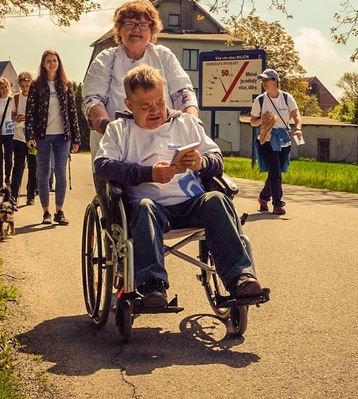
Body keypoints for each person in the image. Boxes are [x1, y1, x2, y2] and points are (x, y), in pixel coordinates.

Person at [94, 65, 263, 307]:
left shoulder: (185, 123)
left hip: (190, 205)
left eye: (160, 103)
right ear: (129, 105)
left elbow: (217, 161)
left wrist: (201, 162)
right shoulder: (120, 130)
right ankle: (152, 285)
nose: (155, 111)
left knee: (216, 199)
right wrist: (149, 173)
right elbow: (103, 166)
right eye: (146, 106)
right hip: (148, 210)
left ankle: (239, 277)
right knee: (144, 206)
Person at [82, 0, 198, 162]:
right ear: (119, 29)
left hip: (162, 140)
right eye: (129, 24)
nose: (136, 30)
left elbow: (183, 92)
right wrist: (105, 124)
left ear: (152, 31)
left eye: (143, 25)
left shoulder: (163, 56)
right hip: (117, 145)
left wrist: (191, 120)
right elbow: (92, 98)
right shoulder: (106, 59)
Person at [25, 50, 81, 225]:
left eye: (55, 60)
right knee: (43, 172)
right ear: (43, 64)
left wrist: (76, 138)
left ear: (59, 63)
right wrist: (30, 135)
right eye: (48, 61)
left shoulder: (65, 85)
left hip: (62, 136)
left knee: (60, 172)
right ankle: (46, 212)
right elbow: (30, 112)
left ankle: (59, 211)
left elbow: (73, 111)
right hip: (42, 136)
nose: (52, 63)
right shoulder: (36, 85)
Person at [249, 69, 304, 216]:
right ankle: (278, 204)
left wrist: (298, 128)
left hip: (284, 139)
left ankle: (263, 197)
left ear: (275, 81)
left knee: (277, 171)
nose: (264, 83)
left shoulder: (287, 98)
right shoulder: (260, 100)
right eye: (263, 81)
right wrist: (262, 120)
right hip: (267, 139)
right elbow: (252, 122)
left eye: (267, 80)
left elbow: (296, 114)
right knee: (275, 171)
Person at [9, 71, 37, 208]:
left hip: (33, 140)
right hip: (19, 137)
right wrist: (16, 118)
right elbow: (12, 115)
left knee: (33, 167)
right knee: (18, 166)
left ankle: (31, 195)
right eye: (23, 86)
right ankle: (14, 194)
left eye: (28, 86)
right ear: (20, 86)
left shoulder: (36, 97)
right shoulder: (16, 98)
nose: (26, 89)